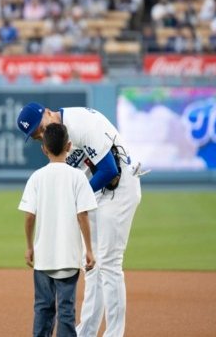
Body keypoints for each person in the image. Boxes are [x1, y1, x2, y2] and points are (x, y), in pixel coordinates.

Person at [17, 102, 146, 337]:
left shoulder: (81, 124)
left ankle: (114, 334)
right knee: (92, 265)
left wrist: (76, 199)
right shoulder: (58, 136)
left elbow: (109, 171)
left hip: (120, 187)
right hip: (99, 191)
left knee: (109, 262)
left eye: (41, 128)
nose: (42, 136)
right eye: (37, 136)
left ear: (47, 112)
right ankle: (86, 331)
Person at [19, 123, 97, 337]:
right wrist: (89, 250)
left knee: (43, 309)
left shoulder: (36, 177)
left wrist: (29, 247)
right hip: (69, 257)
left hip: (43, 258)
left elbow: (29, 216)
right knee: (66, 311)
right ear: (69, 146)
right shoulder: (78, 177)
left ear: (44, 148)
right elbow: (83, 216)